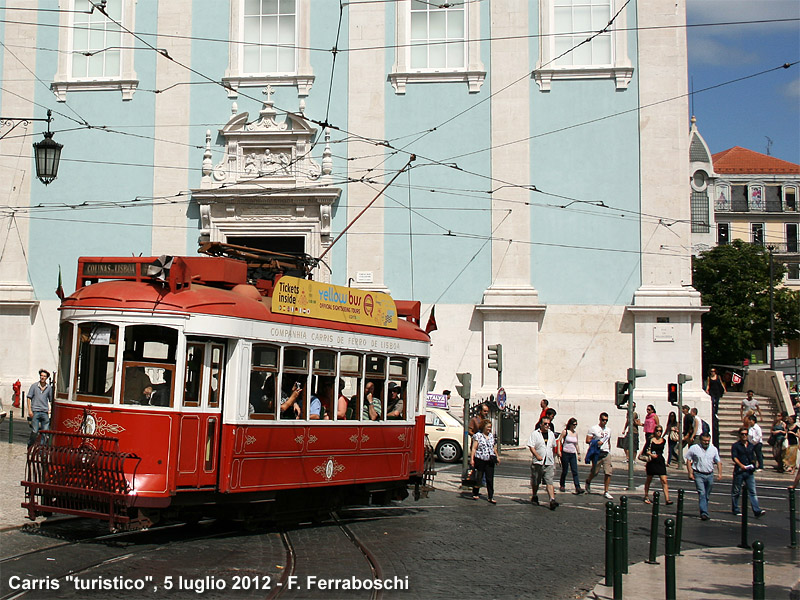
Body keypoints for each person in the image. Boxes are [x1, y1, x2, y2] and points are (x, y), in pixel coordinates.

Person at [685, 433, 723, 520]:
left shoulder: (713, 449)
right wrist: (690, 472)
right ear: (701, 440)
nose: (706, 442)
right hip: (698, 474)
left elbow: (718, 462)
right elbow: (688, 460)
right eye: (705, 441)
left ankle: (704, 507)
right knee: (702, 493)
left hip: (710, 474)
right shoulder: (694, 448)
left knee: (707, 495)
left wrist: (720, 473)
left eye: (708, 441)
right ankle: (704, 513)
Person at [731, 427, 766, 517]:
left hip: (749, 472)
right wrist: (741, 465)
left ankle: (756, 510)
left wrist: (753, 463)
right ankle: (735, 509)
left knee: (752, 491)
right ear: (739, 435)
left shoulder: (750, 446)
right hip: (739, 471)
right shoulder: (736, 446)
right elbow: (734, 457)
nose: (744, 436)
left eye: (746, 434)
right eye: (742, 434)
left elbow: (752, 456)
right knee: (736, 491)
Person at [528, 415, 559, 509]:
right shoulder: (535, 434)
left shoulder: (551, 434)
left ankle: (552, 500)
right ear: (541, 424)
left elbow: (553, 446)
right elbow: (531, 446)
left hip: (549, 462)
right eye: (545, 424)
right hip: (538, 462)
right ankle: (534, 495)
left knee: (549, 481)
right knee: (536, 481)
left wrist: (555, 457)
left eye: (548, 424)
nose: (547, 425)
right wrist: (537, 455)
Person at [469, 419, 499, 503]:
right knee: (479, 477)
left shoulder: (491, 436)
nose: (489, 429)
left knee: (490, 478)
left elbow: (493, 447)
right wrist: (472, 459)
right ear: (483, 427)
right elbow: (474, 448)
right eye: (488, 427)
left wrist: (497, 457)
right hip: (480, 459)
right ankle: (475, 492)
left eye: (490, 427)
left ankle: (490, 496)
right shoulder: (478, 435)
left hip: (490, 459)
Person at [585, 412, 613, 499]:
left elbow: (608, 441)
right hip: (597, 452)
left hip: (606, 452)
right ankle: (588, 481)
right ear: (600, 419)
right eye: (603, 420)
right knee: (595, 472)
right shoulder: (593, 429)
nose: (605, 422)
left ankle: (606, 491)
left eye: (606, 420)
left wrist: (609, 449)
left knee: (608, 472)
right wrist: (596, 442)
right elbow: (587, 440)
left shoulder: (608, 430)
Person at [641, 425, 671, 505]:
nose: (659, 432)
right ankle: (646, 496)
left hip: (660, 461)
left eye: (660, 431)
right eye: (657, 430)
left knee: (664, 480)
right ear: (655, 431)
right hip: (652, 461)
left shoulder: (663, 441)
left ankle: (667, 499)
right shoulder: (650, 440)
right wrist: (651, 454)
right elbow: (645, 451)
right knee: (649, 479)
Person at [27, 369, 53, 446]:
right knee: (35, 431)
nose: (42, 377)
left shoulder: (49, 388)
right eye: (41, 375)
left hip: (44, 412)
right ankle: (30, 444)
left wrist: (50, 410)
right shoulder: (34, 386)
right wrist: (30, 410)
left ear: (47, 378)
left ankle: (42, 450)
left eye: (44, 376)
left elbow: (51, 399)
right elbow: (29, 398)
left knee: (45, 432)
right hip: (35, 411)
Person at [558, 417, 584, 494]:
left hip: (572, 454)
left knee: (575, 470)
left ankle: (577, 487)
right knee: (565, 470)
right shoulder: (565, 432)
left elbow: (576, 444)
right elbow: (559, 440)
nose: (575, 426)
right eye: (573, 424)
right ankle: (562, 484)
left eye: (576, 424)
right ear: (570, 424)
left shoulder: (575, 433)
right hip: (565, 453)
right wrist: (559, 451)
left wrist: (578, 453)